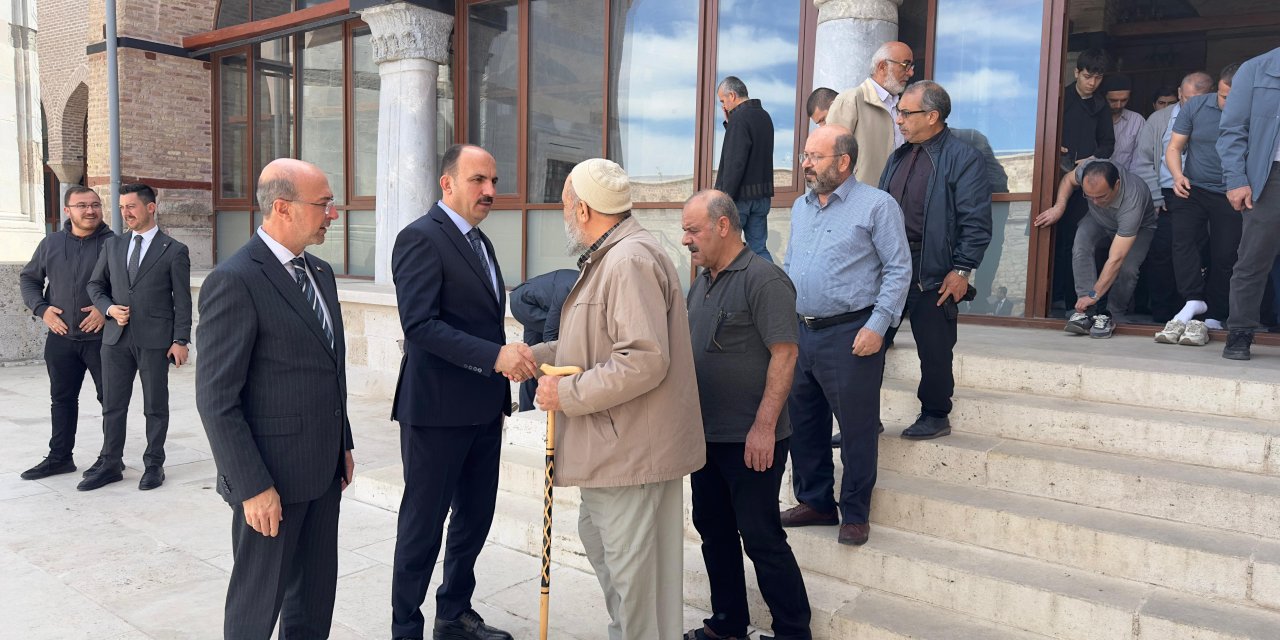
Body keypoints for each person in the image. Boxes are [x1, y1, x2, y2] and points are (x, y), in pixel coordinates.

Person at [532, 158, 704, 640]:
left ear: (583, 209)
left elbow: (643, 359)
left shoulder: (628, 260)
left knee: (638, 588)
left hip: (630, 450)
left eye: (566, 204)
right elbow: (601, 343)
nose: (564, 213)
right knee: (615, 562)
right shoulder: (614, 254)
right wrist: (539, 355)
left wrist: (565, 392)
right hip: (614, 449)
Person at [196, 158, 356, 638]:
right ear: (283, 207)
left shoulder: (321, 273)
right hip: (270, 485)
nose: (333, 214)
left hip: (322, 473)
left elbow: (329, 369)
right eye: (324, 204)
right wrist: (251, 486)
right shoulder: (235, 279)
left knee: (313, 601)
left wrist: (341, 443)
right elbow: (216, 399)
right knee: (256, 605)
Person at [390, 144, 530, 640]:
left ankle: (454, 613)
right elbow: (420, 325)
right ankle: (406, 627)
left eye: (493, 180)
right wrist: (495, 356)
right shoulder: (420, 239)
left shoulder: (482, 244)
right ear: (447, 184)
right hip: (435, 413)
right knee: (422, 527)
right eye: (478, 180)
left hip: (483, 410)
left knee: (475, 516)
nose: (490, 190)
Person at [681, 189, 810, 640]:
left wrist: (764, 426)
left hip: (752, 441)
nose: (685, 240)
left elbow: (785, 355)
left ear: (722, 225)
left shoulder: (764, 279)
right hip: (707, 440)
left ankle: (794, 632)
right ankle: (727, 624)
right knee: (713, 532)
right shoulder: (702, 281)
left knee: (761, 538)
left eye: (692, 230)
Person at [779, 124, 911, 546]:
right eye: (805, 155)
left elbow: (898, 269)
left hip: (852, 334)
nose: (806, 164)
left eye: (815, 157)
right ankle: (816, 501)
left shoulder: (877, 206)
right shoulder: (801, 207)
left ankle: (854, 513)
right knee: (803, 423)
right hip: (802, 333)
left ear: (844, 161)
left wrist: (879, 325)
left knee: (855, 429)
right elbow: (792, 264)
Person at [879, 80, 992, 439]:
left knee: (935, 349)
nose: (899, 120)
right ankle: (863, 417)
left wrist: (961, 270)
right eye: (898, 112)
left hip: (935, 269)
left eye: (905, 113)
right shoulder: (897, 156)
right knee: (870, 344)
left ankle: (935, 414)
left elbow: (976, 221)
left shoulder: (963, 157)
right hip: (890, 267)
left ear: (932, 116)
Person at [83, 183, 191, 491]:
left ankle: (154, 464)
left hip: (156, 340)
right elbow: (95, 286)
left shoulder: (174, 250)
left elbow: (182, 301)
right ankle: (110, 463)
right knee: (113, 405)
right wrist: (108, 309)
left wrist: (180, 340)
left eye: (131, 206)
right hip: (115, 339)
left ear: (150, 207)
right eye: (121, 208)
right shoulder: (113, 246)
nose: (125, 213)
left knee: (155, 406)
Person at [17, 187, 114, 480]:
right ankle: (60, 458)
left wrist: (104, 308)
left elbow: (132, 285)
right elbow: (29, 279)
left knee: (111, 401)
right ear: (67, 210)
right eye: (82, 205)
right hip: (61, 340)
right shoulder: (51, 243)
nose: (90, 211)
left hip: (104, 340)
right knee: (61, 400)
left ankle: (111, 459)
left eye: (95, 204)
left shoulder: (115, 244)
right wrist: (42, 309)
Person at [1159, 63, 1242, 346]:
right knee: (1181, 241)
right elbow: (1174, 147)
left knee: (1225, 255)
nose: (1224, 101)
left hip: (1232, 192)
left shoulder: (1254, 111)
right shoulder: (1196, 107)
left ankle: (1215, 315)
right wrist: (1178, 175)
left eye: (1231, 97)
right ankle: (1194, 299)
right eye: (1221, 94)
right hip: (1192, 187)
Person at [1034, 160, 1157, 338]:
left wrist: (1095, 293)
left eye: (1101, 196)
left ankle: (1112, 313)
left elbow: (1116, 258)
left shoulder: (1132, 199)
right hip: (1098, 220)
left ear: (1117, 185)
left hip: (1139, 228)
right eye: (1089, 196)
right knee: (1080, 245)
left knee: (1128, 267)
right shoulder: (1087, 170)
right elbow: (1068, 180)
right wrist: (1059, 206)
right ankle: (1085, 310)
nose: (1095, 201)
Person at [1133, 71, 1213, 324]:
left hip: (1206, 193)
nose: (1191, 104)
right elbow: (1142, 161)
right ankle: (1162, 314)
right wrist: (1156, 198)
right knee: (1162, 255)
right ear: (1180, 93)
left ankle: (1197, 311)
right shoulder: (1159, 120)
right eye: (1186, 98)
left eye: (1198, 99)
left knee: (1202, 253)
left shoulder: (1219, 118)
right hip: (1168, 194)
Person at [1219, 46, 1280, 360]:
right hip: (1270, 177)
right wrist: (1237, 179)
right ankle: (1240, 334)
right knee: (1253, 259)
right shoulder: (1256, 69)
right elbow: (1232, 130)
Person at [1052, 48, 1114, 311]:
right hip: (1052, 176)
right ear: (1076, 72)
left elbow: (1108, 143)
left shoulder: (1101, 105)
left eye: (1098, 78)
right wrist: (1055, 148)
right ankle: (1048, 297)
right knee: (1051, 239)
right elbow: (1041, 131)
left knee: (1076, 240)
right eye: (1088, 76)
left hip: (1085, 181)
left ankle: (1070, 302)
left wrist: (1092, 158)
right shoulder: (1058, 98)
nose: (1092, 83)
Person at [826, 41, 914, 185]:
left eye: (911, 66)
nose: (911, 72)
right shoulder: (851, 100)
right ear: (882, 66)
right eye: (906, 65)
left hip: (896, 198)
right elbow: (830, 157)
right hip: (859, 200)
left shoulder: (902, 106)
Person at [714, 76, 776, 263]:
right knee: (759, 248)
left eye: (723, 101)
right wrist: (730, 124)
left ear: (732, 95)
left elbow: (736, 162)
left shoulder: (739, 119)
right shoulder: (764, 116)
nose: (723, 107)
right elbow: (751, 152)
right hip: (762, 197)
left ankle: (729, 291)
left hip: (739, 199)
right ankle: (770, 289)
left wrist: (724, 198)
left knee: (725, 248)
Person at [509, 268, 576, 411]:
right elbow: (550, 336)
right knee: (554, 343)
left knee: (531, 358)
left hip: (531, 300)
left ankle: (525, 408)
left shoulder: (585, 282)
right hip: (525, 303)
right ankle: (543, 402)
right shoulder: (568, 290)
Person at [1106, 75, 1145, 171]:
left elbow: (1139, 159)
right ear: (1104, 97)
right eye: (1113, 100)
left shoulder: (1137, 121)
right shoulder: (1094, 119)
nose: (1118, 105)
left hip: (1126, 181)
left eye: (1124, 100)